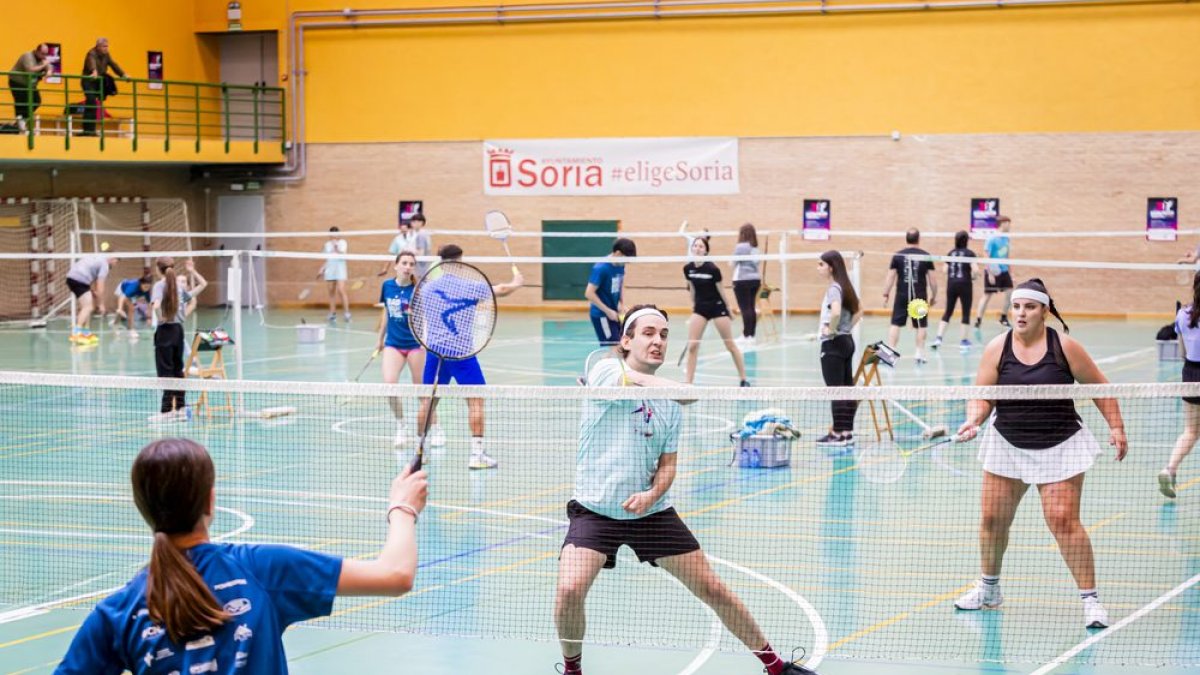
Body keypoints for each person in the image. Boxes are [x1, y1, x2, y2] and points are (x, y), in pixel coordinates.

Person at [554, 305, 818, 675]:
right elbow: (635, 383)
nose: (658, 341)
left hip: (651, 512)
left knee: (713, 588)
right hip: (595, 510)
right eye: (648, 333)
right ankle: (572, 670)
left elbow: (668, 465)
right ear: (626, 341)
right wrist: (682, 389)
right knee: (569, 591)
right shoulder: (605, 371)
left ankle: (776, 667)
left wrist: (651, 494)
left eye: (663, 334)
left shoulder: (671, 405)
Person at [54, 437, 427, 674]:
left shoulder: (118, 612)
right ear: (211, 500)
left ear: (143, 508)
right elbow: (395, 574)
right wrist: (402, 507)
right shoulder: (261, 571)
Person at [955, 279, 1127, 629]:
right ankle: (989, 590)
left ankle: (1091, 601)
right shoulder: (996, 348)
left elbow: (1100, 387)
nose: (1021, 313)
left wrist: (1117, 426)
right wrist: (974, 419)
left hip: (1060, 443)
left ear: (1044, 311)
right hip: (1007, 443)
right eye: (1016, 306)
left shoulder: (1065, 347)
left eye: (1029, 307)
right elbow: (983, 394)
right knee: (991, 520)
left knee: (1062, 520)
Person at [415, 244, 523, 469]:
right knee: (476, 401)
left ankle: (419, 452)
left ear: (441, 261)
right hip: (462, 354)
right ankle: (476, 455)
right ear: (460, 260)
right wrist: (516, 283)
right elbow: (501, 289)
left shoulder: (426, 289)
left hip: (434, 353)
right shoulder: (470, 287)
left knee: (428, 402)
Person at [377, 251, 439, 449]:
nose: (407, 266)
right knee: (390, 386)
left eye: (411, 264)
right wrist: (380, 339)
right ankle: (401, 427)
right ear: (396, 266)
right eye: (404, 263)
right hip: (393, 344)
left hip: (415, 345)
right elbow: (386, 311)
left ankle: (436, 429)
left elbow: (428, 316)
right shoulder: (387, 286)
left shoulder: (419, 290)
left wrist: (425, 339)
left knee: (422, 391)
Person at [681, 235, 749, 386]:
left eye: (701, 246)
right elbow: (691, 288)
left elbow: (721, 291)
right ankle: (688, 383)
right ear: (692, 249)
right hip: (700, 308)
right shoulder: (688, 269)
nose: (697, 248)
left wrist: (729, 309)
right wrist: (693, 307)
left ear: (706, 251)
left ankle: (744, 379)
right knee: (692, 346)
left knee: (729, 345)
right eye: (695, 246)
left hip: (717, 307)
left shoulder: (713, 269)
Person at [815, 251, 862, 446]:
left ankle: (836, 434)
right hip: (847, 342)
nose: (818, 268)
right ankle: (847, 432)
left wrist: (831, 330)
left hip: (833, 344)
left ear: (831, 267)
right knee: (846, 389)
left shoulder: (834, 288)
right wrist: (846, 328)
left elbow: (835, 312)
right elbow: (860, 310)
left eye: (821, 264)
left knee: (835, 391)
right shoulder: (846, 286)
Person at [151, 258, 207, 416]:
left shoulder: (160, 285)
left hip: (165, 331)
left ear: (158, 269)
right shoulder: (178, 287)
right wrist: (192, 271)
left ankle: (167, 411)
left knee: (165, 372)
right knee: (177, 370)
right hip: (178, 331)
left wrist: (160, 318)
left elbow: (155, 305)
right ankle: (181, 408)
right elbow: (203, 285)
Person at [1161, 271, 1200, 498]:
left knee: (1191, 431)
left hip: (1191, 373)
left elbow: (1182, 352)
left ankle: (1170, 469)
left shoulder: (1182, 313)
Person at [882, 228, 936, 364]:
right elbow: (933, 280)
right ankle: (919, 353)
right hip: (919, 296)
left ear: (906, 239)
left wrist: (885, 294)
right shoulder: (926, 255)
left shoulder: (898, 255)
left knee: (895, 324)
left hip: (902, 294)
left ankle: (890, 353)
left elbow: (890, 277)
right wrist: (934, 295)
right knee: (921, 325)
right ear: (918, 239)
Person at [584, 238, 636, 351]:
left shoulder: (620, 265)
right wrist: (608, 311)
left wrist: (622, 304)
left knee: (620, 346)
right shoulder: (601, 268)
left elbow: (620, 283)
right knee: (615, 348)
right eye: (626, 259)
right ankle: (602, 368)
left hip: (613, 312)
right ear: (618, 253)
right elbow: (589, 293)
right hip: (601, 315)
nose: (626, 263)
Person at [932, 230, 977, 352]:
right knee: (965, 312)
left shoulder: (951, 253)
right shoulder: (970, 253)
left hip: (951, 284)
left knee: (948, 311)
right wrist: (974, 276)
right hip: (965, 285)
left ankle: (938, 338)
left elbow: (945, 270)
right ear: (966, 240)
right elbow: (975, 270)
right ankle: (963, 341)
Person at [65, 253, 118, 345]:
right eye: (116, 261)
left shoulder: (97, 257)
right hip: (79, 280)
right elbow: (100, 286)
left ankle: (85, 332)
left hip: (73, 279)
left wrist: (93, 292)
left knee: (89, 306)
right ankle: (76, 333)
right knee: (88, 307)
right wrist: (101, 304)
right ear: (112, 258)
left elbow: (91, 275)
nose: (115, 264)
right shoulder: (105, 264)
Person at [80, 38, 125, 137]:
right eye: (104, 46)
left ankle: (91, 130)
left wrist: (123, 75)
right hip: (88, 81)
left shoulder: (106, 55)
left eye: (107, 46)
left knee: (93, 104)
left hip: (97, 81)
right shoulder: (91, 53)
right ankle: (87, 130)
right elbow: (91, 63)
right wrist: (94, 71)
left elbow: (114, 65)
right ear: (98, 47)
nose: (106, 48)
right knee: (91, 102)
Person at [976, 216, 1013, 329]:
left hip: (1004, 270)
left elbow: (1007, 256)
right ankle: (978, 320)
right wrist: (990, 273)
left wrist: (1010, 272)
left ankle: (1003, 317)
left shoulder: (1006, 238)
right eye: (1008, 223)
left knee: (1009, 292)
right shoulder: (992, 238)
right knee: (987, 295)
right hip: (993, 270)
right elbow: (986, 255)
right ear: (1002, 224)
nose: (1010, 226)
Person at [8, 43, 54, 131]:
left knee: (36, 101)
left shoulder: (42, 59)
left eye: (46, 54)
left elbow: (50, 67)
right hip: (17, 81)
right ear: (37, 51)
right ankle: (20, 120)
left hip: (30, 84)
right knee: (21, 101)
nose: (44, 56)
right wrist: (44, 65)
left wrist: (49, 71)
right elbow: (30, 70)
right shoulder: (27, 56)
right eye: (42, 53)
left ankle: (21, 120)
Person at [731, 222, 762, 350]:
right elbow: (757, 262)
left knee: (745, 308)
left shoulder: (740, 247)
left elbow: (733, 263)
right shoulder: (755, 248)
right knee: (751, 307)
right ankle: (751, 336)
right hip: (755, 280)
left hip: (742, 280)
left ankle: (746, 336)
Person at [319, 226, 351, 324]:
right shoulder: (327, 244)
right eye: (331, 233)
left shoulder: (343, 243)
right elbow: (327, 258)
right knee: (331, 293)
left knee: (341, 290)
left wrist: (336, 246)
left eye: (335, 233)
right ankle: (332, 314)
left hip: (340, 270)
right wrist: (322, 268)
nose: (333, 235)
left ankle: (347, 313)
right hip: (330, 270)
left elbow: (343, 254)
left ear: (338, 234)